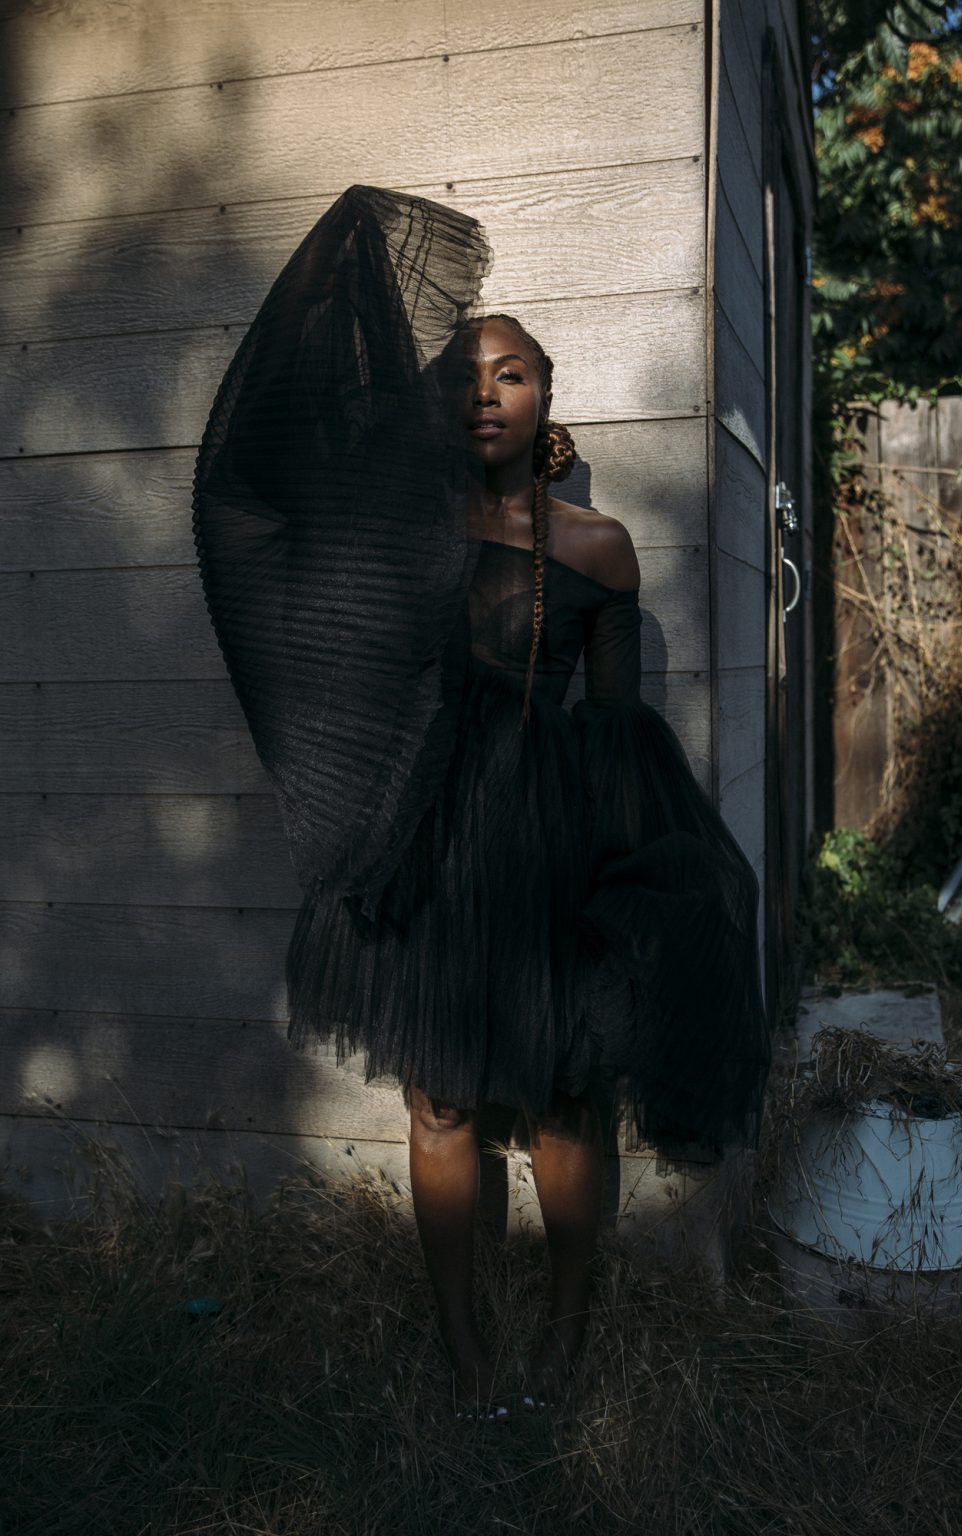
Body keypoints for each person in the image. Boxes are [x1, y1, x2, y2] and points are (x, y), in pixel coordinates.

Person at [192, 185, 772, 1422]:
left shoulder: (599, 546)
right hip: (425, 832)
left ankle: (563, 1336)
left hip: (552, 841)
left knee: (566, 1093)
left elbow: (617, 730)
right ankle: (463, 1348)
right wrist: (334, 273)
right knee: (441, 1095)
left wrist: (626, 874)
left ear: (545, 397)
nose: (486, 392)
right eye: (463, 375)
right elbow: (266, 503)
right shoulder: (398, 529)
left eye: (511, 373)